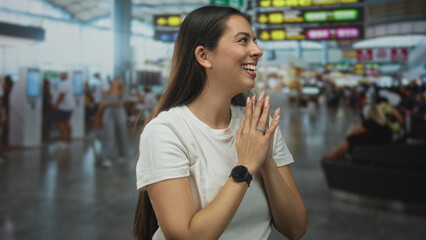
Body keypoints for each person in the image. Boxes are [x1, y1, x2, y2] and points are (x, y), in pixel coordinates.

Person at [133, 6, 307, 240]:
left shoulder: (258, 125)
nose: (257, 51)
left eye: (254, 41)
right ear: (204, 56)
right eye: (243, 41)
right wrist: (245, 166)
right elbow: (185, 236)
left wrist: (266, 162)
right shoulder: (167, 131)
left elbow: (296, 228)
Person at [324, 96, 404, 160]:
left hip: (378, 146)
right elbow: (401, 121)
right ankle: (337, 154)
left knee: (351, 139)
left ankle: (335, 154)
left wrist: (348, 135)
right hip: (388, 140)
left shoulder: (374, 121)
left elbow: (355, 132)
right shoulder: (388, 118)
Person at [95, 76, 129, 168]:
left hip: (120, 114)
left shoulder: (122, 93)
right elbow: (101, 105)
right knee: (108, 135)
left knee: (122, 134)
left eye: (117, 80)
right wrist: (97, 115)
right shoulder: (106, 93)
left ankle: (123, 155)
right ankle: (106, 158)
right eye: (113, 80)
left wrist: (106, 104)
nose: (114, 82)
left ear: (119, 83)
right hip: (108, 114)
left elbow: (120, 103)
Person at [52, 72, 75, 147]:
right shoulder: (69, 83)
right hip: (69, 106)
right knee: (66, 122)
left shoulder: (64, 84)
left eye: (61, 75)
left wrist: (56, 104)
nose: (60, 76)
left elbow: (62, 95)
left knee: (60, 123)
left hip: (63, 107)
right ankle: (68, 140)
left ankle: (63, 141)